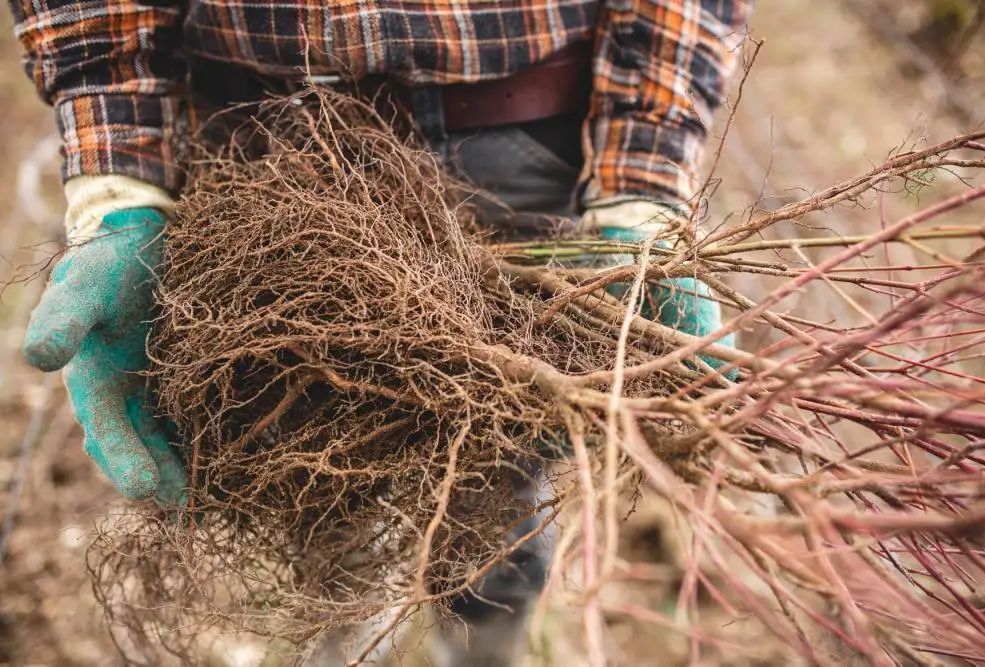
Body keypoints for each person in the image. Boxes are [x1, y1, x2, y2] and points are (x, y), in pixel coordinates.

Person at [8, 1, 752, 663]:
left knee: (498, 484)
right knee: (320, 476)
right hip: (266, 145)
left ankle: (489, 649)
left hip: (519, 127)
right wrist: (120, 180)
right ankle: (342, 634)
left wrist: (643, 184)